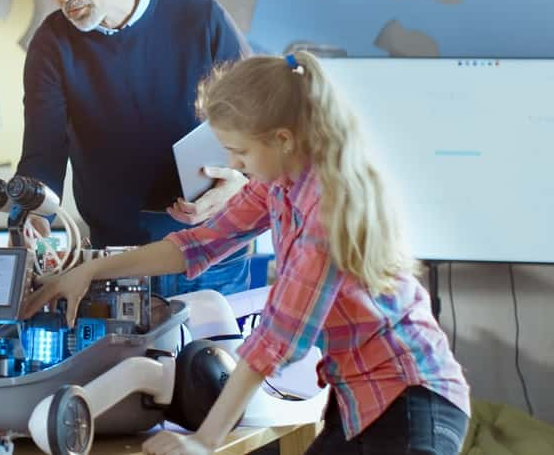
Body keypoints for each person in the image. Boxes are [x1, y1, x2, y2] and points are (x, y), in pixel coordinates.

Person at [23, 52, 471, 455]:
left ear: (283, 139)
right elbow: (198, 244)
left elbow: (278, 339)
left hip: (410, 398)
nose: (234, 166)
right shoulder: (279, 185)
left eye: (239, 152)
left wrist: (204, 440)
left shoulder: (329, 208)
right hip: (361, 398)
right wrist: (91, 270)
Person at [17, 0, 252, 297]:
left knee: (212, 360)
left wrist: (241, 184)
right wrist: (30, 213)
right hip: (115, 257)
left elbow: (263, 128)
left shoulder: (201, 19)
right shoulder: (51, 43)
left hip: (213, 253)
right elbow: (42, 155)